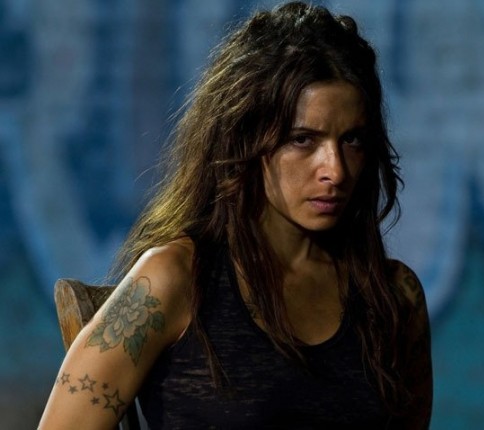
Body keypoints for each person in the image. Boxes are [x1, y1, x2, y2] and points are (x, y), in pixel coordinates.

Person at [39, 2, 432, 428]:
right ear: (244, 138)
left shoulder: (394, 297)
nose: (334, 170)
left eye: (352, 140)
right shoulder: (174, 278)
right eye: (303, 140)